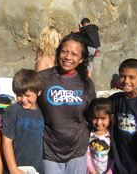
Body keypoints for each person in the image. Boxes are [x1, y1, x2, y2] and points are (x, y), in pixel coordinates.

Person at [37, 33, 96, 174]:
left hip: (77, 150)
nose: (68, 57)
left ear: (81, 59)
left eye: (74, 54)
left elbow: (92, 115)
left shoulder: (86, 84)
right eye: (64, 51)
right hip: (49, 149)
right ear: (58, 53)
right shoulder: (43, 78)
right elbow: (29, 104)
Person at [2, 69, 44, 174]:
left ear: (39, 92)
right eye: (19, 95)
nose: (23, 99)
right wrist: (13, 169)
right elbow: (6, 142)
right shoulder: (12, 111)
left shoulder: (44, 111)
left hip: (38, 168)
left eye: (28, 95)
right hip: (16, 167)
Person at [86, 98, 114, 174]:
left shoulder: (112, 135)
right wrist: (92, 171)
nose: (98, 122)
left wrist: (109, 172)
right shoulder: (89, 134)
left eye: (103, 118)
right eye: (95, 118)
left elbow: (115, 156)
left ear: (111, 117)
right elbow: (87, 154)